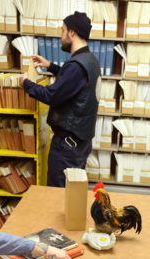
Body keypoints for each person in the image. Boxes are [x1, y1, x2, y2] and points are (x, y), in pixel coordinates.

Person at [22, 11, 101, 187]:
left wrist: (26, 83)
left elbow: (52, 95)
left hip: (67, 148)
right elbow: (73, 83)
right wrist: (50, 66)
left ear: (72, 33)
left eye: (63, 30)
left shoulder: (76, 66)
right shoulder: (90, 60)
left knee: (58, 195)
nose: (60, 35)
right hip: (80, 144)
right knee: (71, 193)